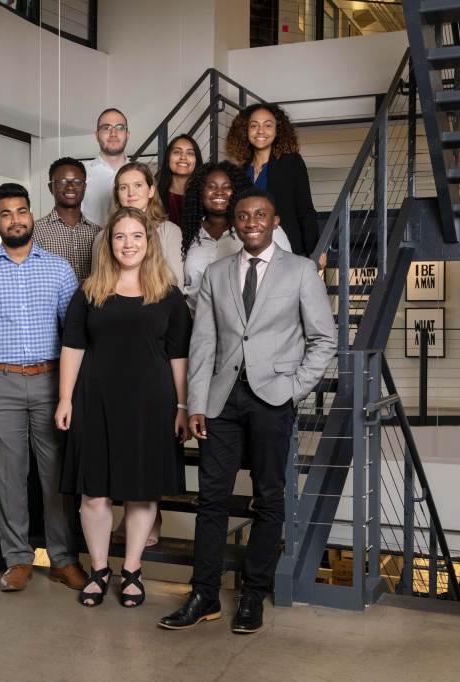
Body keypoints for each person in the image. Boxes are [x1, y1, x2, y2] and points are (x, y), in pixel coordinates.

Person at [158, 188, 336, 634]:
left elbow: (324, 339)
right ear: (234, 223)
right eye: (243, 215)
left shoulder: (300, 271)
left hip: (273, 399)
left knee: (270, 499)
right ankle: (204, 594)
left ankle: (253, 594)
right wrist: (196, 402)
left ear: (275, 221)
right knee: (212, 499)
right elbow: (203, 343)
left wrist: (293, 390)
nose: (251, 221)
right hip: (221, 400)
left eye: (260, 214)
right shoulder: (217, 273)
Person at [0, 182, 88, 594]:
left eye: (21, 211)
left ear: (32, 215)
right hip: (0, 384)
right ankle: (18, 558)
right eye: (6, 213)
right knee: (10, 476)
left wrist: (71, 389)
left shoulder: (59, 269)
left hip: (50, 383)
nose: (15, 219)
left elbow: (74, 332)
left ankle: (63, 559)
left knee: (55, 476)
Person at [57, 206, 191, 608]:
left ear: (148, 243)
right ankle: (99, 569)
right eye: (120, 236)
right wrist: (65, 399)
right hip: (94, 401)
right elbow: (72, 346)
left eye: (136, 236)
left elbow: (179, 355)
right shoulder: (89, 291)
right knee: (93, 495)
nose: (128, 244)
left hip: (151, 404)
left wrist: (182, 406)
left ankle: (132, 569)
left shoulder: (169, 295)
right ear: (109, 243)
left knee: (141, 493)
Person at [181, 161, 292, 313]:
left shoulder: (260, 230)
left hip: (246, 326)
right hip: (194, 325)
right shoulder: (189, 235)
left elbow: (288, 277)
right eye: (211, 186)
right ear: (201, 192)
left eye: (227, 187)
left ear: (237, 191)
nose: (219, 192)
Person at [226, 102, 325, 267]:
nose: (260, 131)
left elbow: (305, 210)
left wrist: (315, 249)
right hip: (250, 253)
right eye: (254, 126)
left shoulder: (291, 162)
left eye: (268, 125)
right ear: (245, 131)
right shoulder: (240, 170)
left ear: (277, 131)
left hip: (287, 250)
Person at [95, 162, 183, 290]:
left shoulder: (169, 231)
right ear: (117, 194)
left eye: (138, 185)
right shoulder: (101, 237)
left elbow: (177, 283)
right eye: (124, 187)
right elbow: (97, 287)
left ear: (151, 191)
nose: (131, 193)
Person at [34, 157, 101, 283]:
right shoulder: (35, 232)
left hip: (92, 302)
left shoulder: (99, 233)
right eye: (62, 182)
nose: (70, 187)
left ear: (85, 187)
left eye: (77, 182)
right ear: (50, 187)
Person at [82, 108, 129, 227]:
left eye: (119, 128)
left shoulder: (141, 174)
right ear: (97, 135)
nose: (113, 133)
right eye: (106, 128)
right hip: (90, 244)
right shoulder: (81, 172)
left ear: (127, 134)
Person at [156, 135, 201, 229]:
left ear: (196, 160)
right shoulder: (154, 194)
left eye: (190, 153)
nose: (183, 157)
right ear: (168, 158)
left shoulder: (205, 194)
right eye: (177, 152)